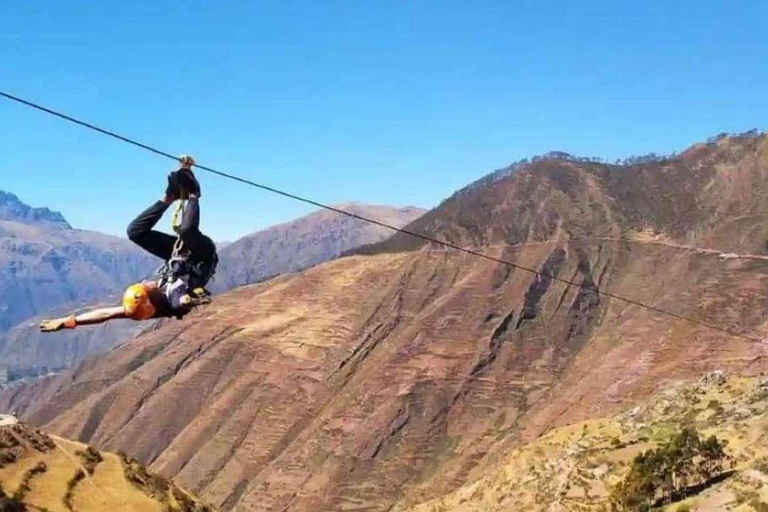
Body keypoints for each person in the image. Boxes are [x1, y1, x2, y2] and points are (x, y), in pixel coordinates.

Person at [39, 156, 218, 332]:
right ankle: (194, 194)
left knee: (135, 232)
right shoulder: (174, 301)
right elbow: (183, 301)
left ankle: (169, 197)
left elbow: (105, 314)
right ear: (151, 298)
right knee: (186, 232)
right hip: (202, 257)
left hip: (178, 256)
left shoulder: (140, 307)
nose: (145, 281)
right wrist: (194, 298)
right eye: (145, 287)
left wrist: (69, 321)